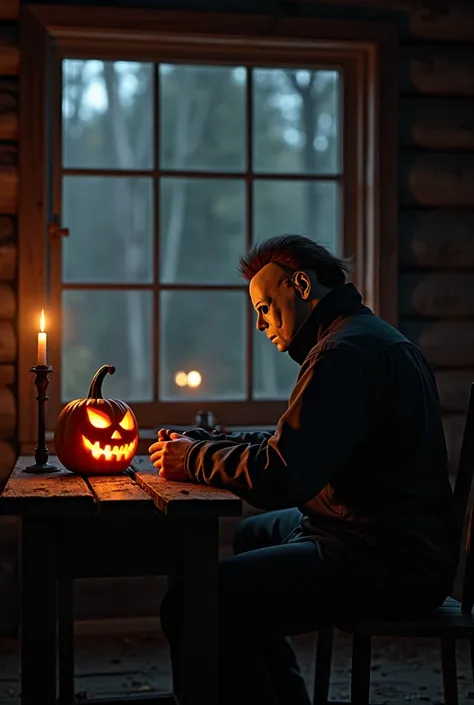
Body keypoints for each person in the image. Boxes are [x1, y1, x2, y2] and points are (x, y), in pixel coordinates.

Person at [149, 235, 459, 705]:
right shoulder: (364, 337)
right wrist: (208, 444)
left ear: (300, 284)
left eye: (265, 308)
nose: (259, 324)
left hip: (382, 559)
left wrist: (192, 460)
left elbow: (282, 476)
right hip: (387, 535)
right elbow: (294, 444)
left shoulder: (342, 355)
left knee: (191, 606)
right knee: (254, 534)